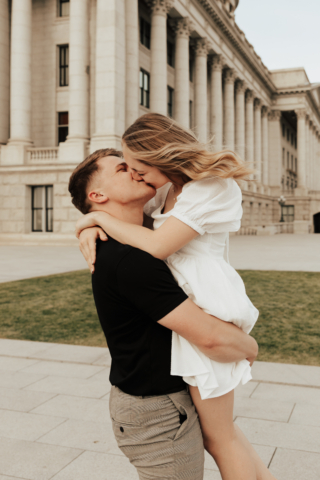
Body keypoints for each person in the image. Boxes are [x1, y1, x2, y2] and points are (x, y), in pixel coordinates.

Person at [75, 114, 277, 480]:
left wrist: (96, 221)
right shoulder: (165, 193)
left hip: (209, 301)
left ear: (161, 157)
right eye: (127, 170)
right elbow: (136, 227)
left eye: (136, 168)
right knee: (224, 436)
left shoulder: (210, 186)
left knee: (222, 438)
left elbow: (156, 242)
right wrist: (91, 223)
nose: (136, 176)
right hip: (191, 308)